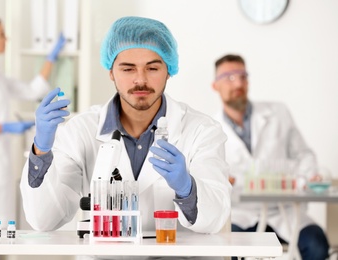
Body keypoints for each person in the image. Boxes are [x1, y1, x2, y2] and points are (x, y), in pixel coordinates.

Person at [20, 15, 231, 251]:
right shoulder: (81, 131)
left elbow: (215, 218)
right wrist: (41, 150)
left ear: (169, 70)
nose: (140, 80)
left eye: (152, 68)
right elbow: (44, 220)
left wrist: (187, 189)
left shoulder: (202, 131)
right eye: (128, 68)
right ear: (111, 72)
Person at [211, 54, 329, 260]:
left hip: (284, 211)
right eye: (229, 77)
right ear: (215, 85)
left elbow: (304, 155)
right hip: (241, 213)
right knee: (228, 251)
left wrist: (304, 178)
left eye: (242, 76)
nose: (238, 83)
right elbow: (209, 176)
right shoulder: (209, 128)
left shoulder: (278, 113)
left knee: (316, 244)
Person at [0, 16, 65, 244]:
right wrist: (7, 126)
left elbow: (31, 90)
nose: (5, 39)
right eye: (1, 34)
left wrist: (51, 57)